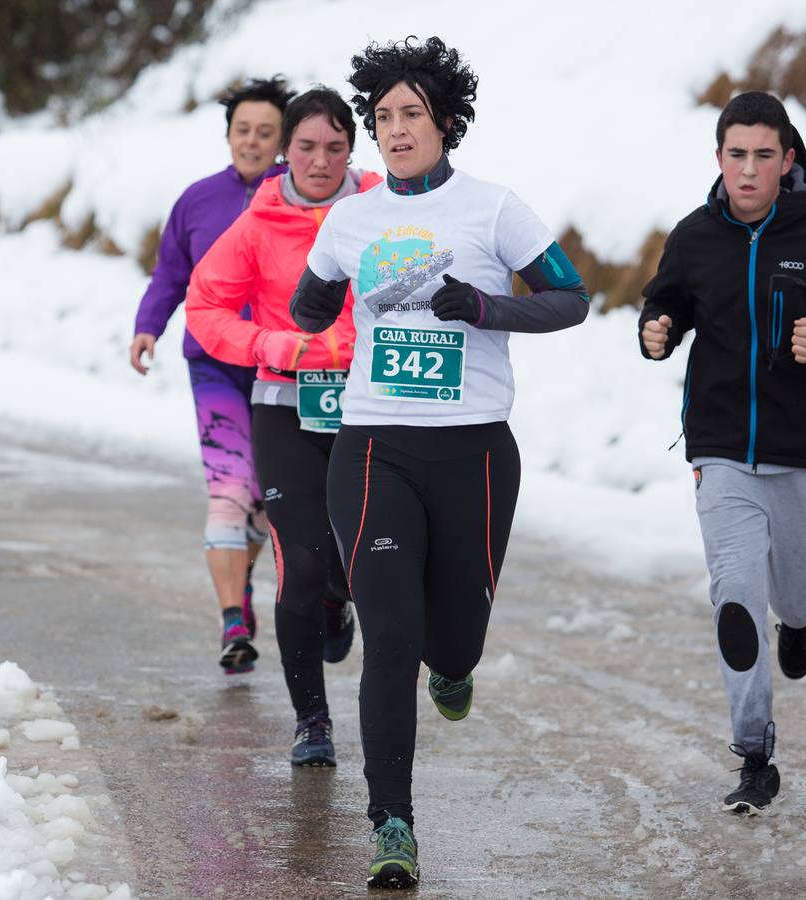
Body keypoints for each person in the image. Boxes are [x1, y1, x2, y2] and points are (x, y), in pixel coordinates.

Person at [290, 38, 590, 888]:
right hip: (374, 445)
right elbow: (310, 305)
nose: (394, 130)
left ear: (447, 121)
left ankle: (454, 666)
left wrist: (486, 306)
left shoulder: (494, 210)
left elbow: (572, 298)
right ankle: (392, 823)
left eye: (410, 114)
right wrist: (314, 308)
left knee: (450, 641)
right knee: (391, 635)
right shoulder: (352, 218)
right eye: (381, 118)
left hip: (475, 454)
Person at [637, 90, 806, 815]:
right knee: (736, 596)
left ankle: (805, 621)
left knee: (797, 594)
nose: (749, 170)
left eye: (763, 156)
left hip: (805, 452)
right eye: (736, 155)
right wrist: (656, 328)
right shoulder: (694, 235)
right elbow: (668, 301)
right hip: (721, 452)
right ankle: (753, 752)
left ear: (787, 161)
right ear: (719, 159)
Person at [186, 87, 380, 768]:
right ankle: (312, 720)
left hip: (372, 405)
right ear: (284, 150)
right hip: (286, 406)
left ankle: (339, 600)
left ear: (352, 148)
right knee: (300, 561)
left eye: (334, 147)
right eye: (306, 147)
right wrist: (275, 346)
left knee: (355, 560)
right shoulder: (259, 221)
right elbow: (205, 307)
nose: (320, 160)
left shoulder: (384, 211)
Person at [129, 77, 292, 674]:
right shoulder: (197, 200)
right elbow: (171, 273)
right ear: (228, 134)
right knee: (228, 490)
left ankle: (246, 587)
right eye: (242, 130)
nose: (251, 141)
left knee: (268, 500)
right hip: (215, 364)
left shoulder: (297, 197)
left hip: (284, 366)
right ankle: (232, 619)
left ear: (282, 141)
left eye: (265, 132)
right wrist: (150, 324)